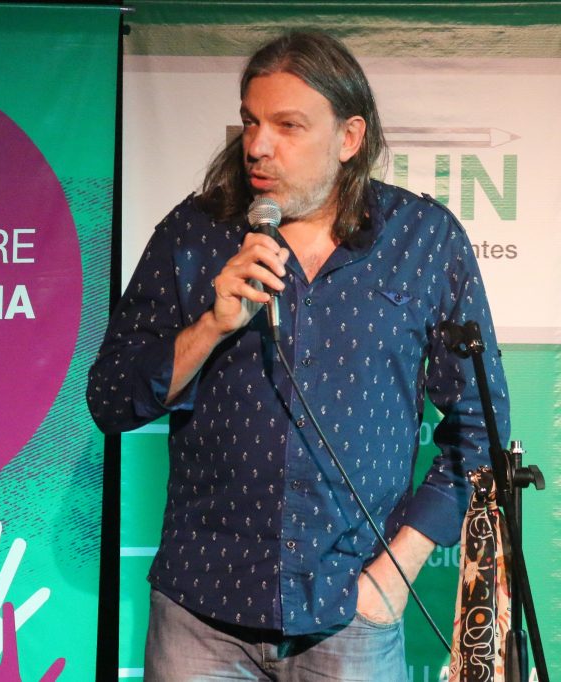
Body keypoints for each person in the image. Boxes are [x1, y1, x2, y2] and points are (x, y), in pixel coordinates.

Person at [86, 32, 509, 681]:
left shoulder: (423, 241)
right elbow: (112, 399)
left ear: (349, 138)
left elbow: (481, 429)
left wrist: (397, 572)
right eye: (252, 121)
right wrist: (211, 325)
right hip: (200, 616)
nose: (257, 145)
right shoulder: (195, 234)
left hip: (352, 616)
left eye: (287, 126)